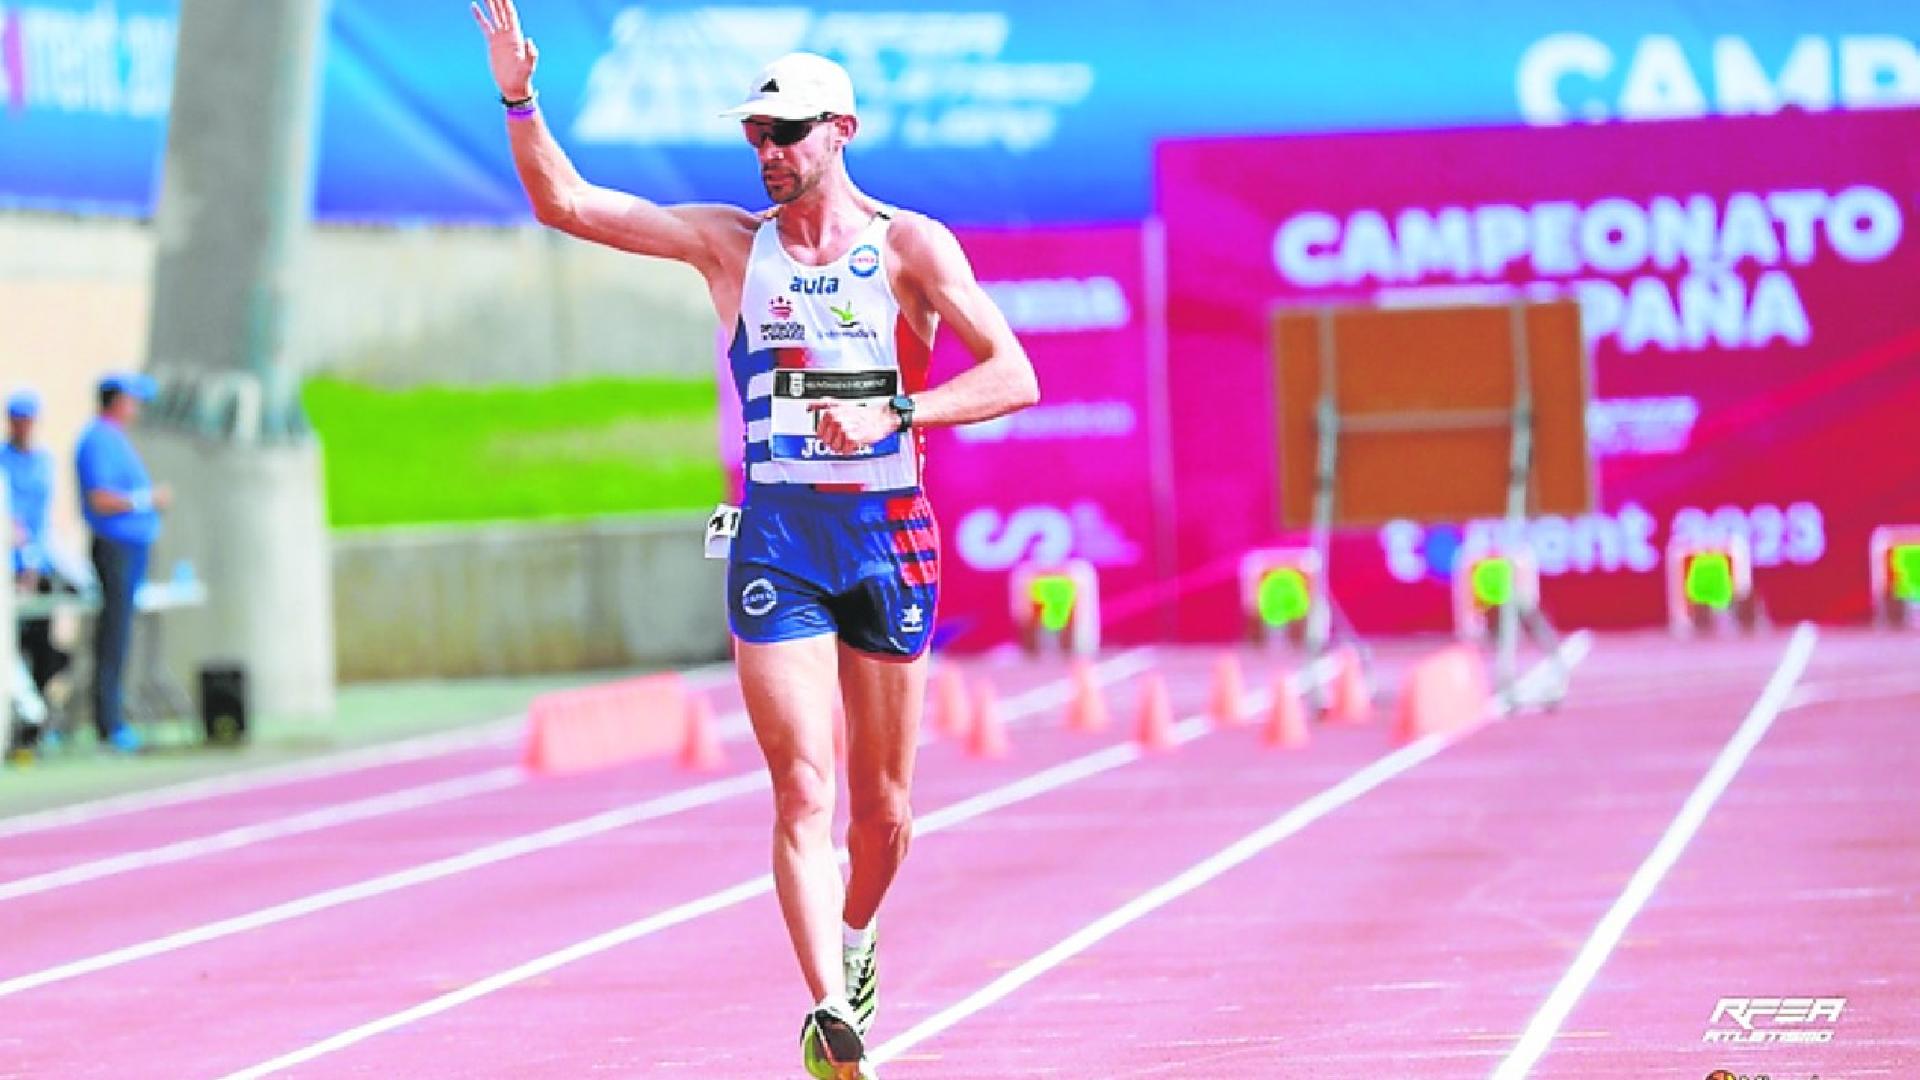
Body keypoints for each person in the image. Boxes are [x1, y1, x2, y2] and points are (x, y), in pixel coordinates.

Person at [472, 4, 1039, 1075]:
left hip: (887, 537)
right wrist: (517, 93)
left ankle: (858, 937)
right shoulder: (731, 246)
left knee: (885, 816)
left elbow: (1017, 374)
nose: (767, 152)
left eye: (786, 133)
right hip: (778, 537)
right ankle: (829, 1013)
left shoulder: (912, 247)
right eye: (755, 135)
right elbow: (568, 201)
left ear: (843, 131)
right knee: (803, 792)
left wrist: (900, 414)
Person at [74, 372, 169, 754]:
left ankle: (115, 716)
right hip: (116, 549)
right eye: (132, 399)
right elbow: (100, 498)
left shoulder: (115, 439)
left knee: (123, 634)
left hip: (131, 548)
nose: (136, 407)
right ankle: (108, 721)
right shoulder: (98, 440)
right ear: (116, 400)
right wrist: (146, 501)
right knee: (113, 635)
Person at [4, 389, 70, 749]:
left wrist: (35, 561)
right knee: (12, 647)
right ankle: (19, 721)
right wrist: (19, 561)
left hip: (38, 566)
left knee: (43, 646)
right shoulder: (2, 461)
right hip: (9, 569)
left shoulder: (44, 462)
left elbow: (41, 519)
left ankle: (39, 721)